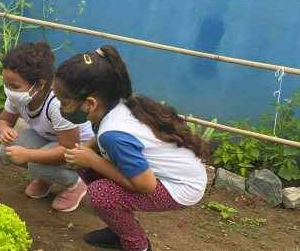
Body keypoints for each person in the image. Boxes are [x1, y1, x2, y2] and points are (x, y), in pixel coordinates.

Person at [55, 45, 208, 251]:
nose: (60, 108)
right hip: (164, 175)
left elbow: (146, 185)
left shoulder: (114, 134)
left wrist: (92, 160)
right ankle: (119, 227)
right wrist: (88, 152)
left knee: (101, 193)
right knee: (84, 161)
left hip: (181, 187)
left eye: (64, 102)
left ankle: (138, 245)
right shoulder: (113, 108)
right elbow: (101, 142)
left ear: (90, 103)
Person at [0, 42, 95, 212]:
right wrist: (4, 129)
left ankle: (76, 183)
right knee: (6, 150)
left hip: (81, 149)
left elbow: (68, 149)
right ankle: (46, 177)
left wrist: (29, 155)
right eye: (6, 84)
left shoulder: (57, 104)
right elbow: (4, 120)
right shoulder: (19, 96)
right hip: (52, 139)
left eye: (14, 86)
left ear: (40, 84)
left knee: (35, 162)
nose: (9, 90)